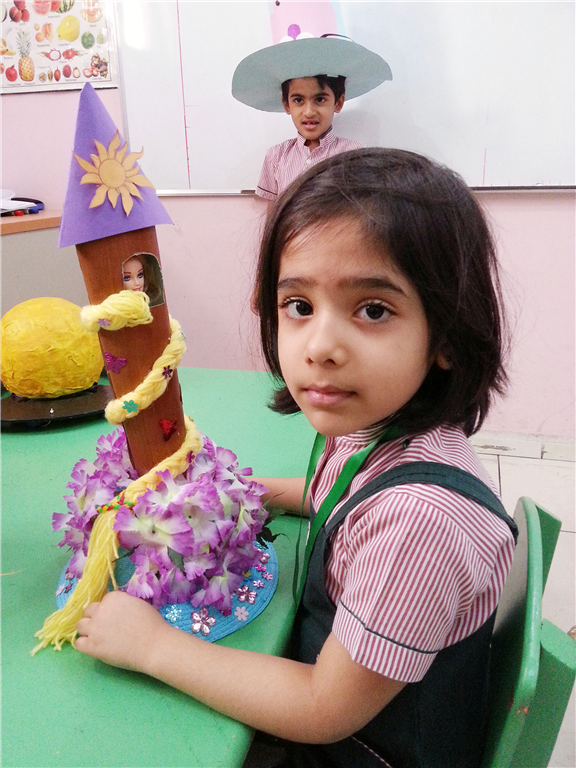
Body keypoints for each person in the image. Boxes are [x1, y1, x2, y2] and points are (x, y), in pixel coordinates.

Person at [76, 148, 516, 768]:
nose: (320, 346)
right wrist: (249, 491)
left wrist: (152, 648)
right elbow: (340, 498)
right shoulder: (376, 430)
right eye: (299, 306)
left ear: (445, 334)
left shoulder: (421, 524)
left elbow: (321, 708)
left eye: (373, 310)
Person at [232, 34, 392, 202]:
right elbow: (273, 212)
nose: (309, 112)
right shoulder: (276, 157)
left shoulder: (354, 155)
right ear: (286, 105)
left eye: (320, 99)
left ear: (338, 102)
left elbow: (360, 208)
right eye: (298, 100)